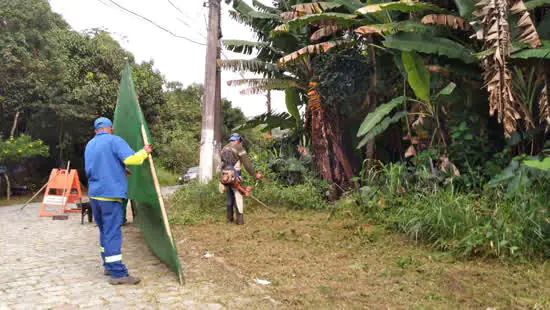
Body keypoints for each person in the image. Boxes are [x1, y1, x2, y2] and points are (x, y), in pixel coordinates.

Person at [84, 117, 152, 285]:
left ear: (96, 130)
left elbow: (98, 166)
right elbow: (131, 159)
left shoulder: (90, 145)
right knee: (113, 232)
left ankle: (108, 264)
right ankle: (118, 273)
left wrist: (120, 168)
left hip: (95, 195)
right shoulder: (115, 141)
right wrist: (145, 151)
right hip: (111, 194)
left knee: (104, 231)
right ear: (111, 128)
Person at [221, 133, 262, 225]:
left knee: (229, 196)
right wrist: (254, 174)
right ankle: (240, 220)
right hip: (235, 175)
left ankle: (229, 219)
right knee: (238, 195)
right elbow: (247, 164)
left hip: (225, 176)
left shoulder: (224, 148)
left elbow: (221, 162)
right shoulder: (239, 148)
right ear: (238, 140)